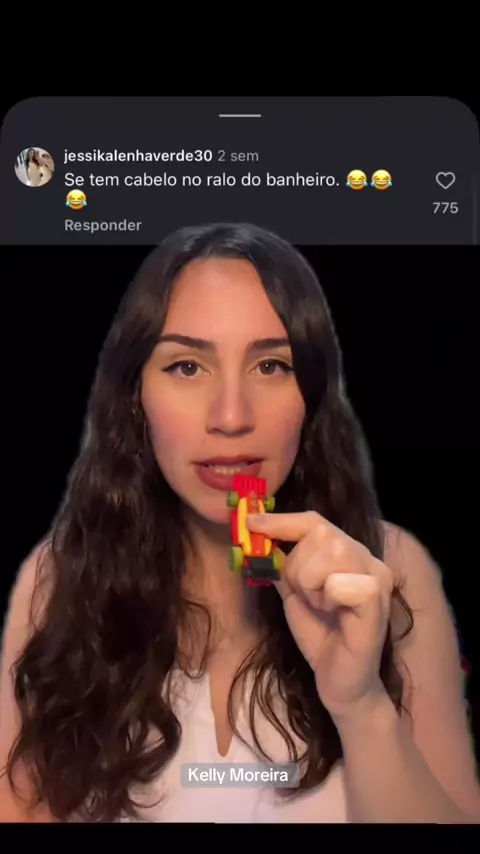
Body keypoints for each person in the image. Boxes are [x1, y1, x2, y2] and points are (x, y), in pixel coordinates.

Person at [1, 222, 479, 823]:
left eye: (271, 365)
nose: (231, 417)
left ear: (312, 395)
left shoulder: (392, 569)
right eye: (187, 367)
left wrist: (362, 705)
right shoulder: (59, 577)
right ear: (135, 397)